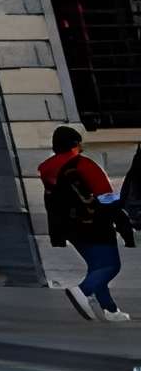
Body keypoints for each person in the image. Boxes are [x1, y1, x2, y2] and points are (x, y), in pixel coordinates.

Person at [40, 125, 134, 322]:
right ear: (75, 144)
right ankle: (82, 291)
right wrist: (121, 219)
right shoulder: (83, 165)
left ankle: (110, 309)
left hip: (69, 227)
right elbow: (106, 197)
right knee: (110, 266)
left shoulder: (48, 169)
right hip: (95, 224)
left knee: (96, 266)